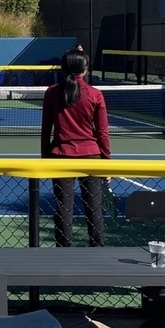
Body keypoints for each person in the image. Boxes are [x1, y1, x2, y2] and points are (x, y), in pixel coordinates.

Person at [40, 46, 111, 247]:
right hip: (91, 157)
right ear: (85, 69)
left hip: (60, 156)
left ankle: (63, 249)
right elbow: (103, 133)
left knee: (63, 207)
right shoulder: (95, 94)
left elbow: (46, 130)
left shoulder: (52, 92)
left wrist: (45, 159)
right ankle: (98, 249)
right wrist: (107, 163)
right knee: (94, 207)